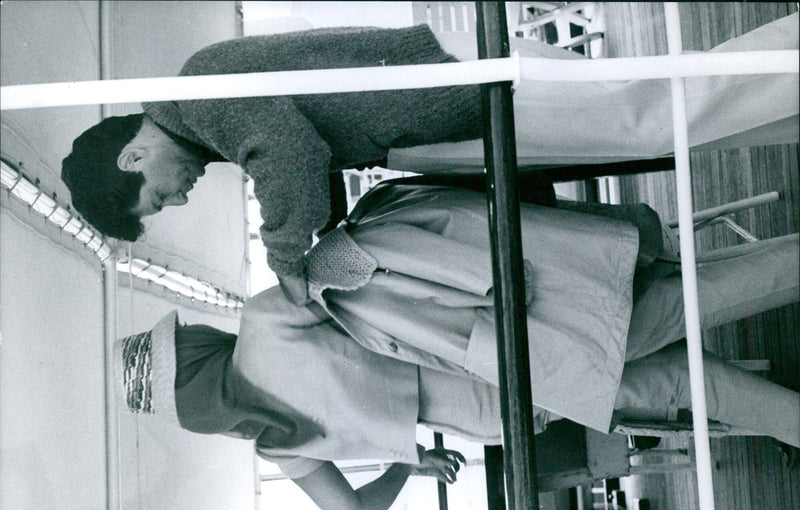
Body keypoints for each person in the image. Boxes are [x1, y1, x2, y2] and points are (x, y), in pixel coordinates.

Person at [115, 181, 799, 510]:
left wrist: (404, 459)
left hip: (509, 408)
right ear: (199, 350)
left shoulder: (279, 445)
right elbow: (362, 269)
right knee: (692, 301)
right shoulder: (263, 323)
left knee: (688, 384)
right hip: (516, 332)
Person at [62, 14, 798, 304]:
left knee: (653, 114)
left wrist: (287, 261)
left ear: (133, 157)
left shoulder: (196, 95)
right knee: (666, 118)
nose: (178, 200)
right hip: (457, 103)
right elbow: (304, 154)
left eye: (158, 199)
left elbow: (287, 152)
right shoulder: (205, 120)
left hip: (462, 88)